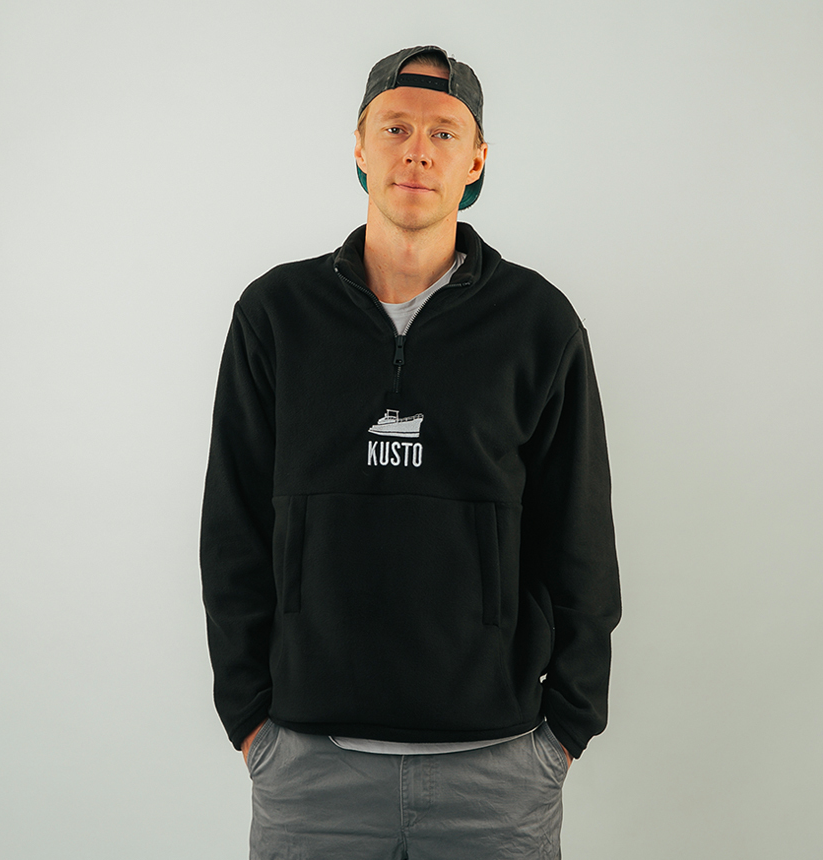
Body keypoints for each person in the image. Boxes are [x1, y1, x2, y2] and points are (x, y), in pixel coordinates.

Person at [200, 45, 621, 859]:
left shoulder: (538, 324)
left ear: (477, 161)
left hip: (497, 773)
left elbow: (580, 540)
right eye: (394, 127)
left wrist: (568, 728)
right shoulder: (276, 316)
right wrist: (248, 717)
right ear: (360, 147)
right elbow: (232, 529)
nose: (417, 151)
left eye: (443, 133)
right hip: (309, 767)